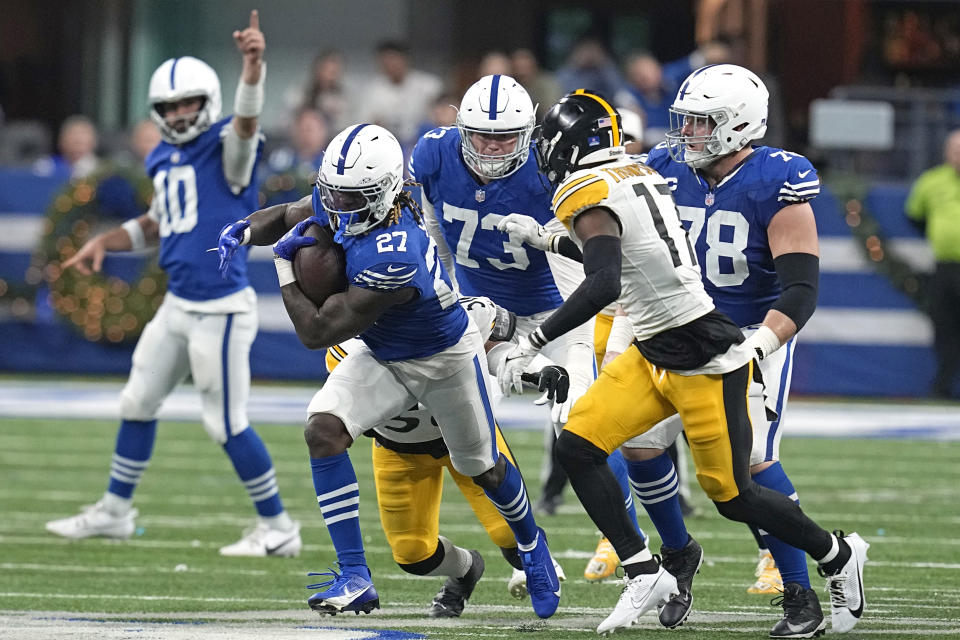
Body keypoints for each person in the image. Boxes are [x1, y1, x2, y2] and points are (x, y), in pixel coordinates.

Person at [496, 88, 869, 636]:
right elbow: (626, 260)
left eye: (700, 122)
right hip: (652, 342)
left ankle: (832, 557)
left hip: (715, 347)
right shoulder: (652, 169)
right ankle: (648, 568)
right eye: (685, 120)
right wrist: (552, 242)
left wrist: (531, 342)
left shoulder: (772, 180)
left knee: (735, 491)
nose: (686, 133)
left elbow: (605, 279)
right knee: (582, 442)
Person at [215, 123, 562, 619]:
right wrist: (245, 230)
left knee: (482, 467)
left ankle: (534, 548)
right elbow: (293, 213)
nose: (336, 207)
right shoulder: (352, 203)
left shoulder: (395, 252)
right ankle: (354, 575)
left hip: (443, 359)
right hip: (383, 354)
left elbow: (316, 332)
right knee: (323, 430)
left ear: (384, 194)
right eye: (333, 193)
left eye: (350, 197)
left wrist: (284, 269)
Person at [45, 12, 303, 558]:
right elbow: (161, 220)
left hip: (222, 307)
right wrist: (104, 242)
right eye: (170, 106)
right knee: (137, 401)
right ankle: (114, 513)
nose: (181, 114)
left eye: (189, 103)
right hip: (179, 305)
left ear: (207, 102)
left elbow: (247, 127)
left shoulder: (225, 149)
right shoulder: (163, 154)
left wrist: (253, 69)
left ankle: (279, 527)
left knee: (227, 424)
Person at [409, 74, 647, 565]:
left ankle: (622, 537)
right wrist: (448, 303)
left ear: (529, 134)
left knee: (580, 425)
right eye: (481, 135)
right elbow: (435, 234)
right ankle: (527, 551)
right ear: (459, 129)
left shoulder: (549, 170)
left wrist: (543, 336)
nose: (493, 148)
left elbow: (581, 261)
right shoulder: (434, 154)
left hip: (552, 309)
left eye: (505, 137)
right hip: (478, 312)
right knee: (466, 432)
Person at [326, 295, 567, 617]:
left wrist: (537, 369)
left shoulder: (455, 314)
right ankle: (467, 568)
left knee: (509, 534)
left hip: (466, 435)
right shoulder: (345, 347)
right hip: (399, 451)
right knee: (413, 555)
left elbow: (495, 349)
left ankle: (533, 554)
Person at [906, 128, 960, 399]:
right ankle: (943, 384)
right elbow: (914, 215)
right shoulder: (932, 182)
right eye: (955, 150)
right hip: (945, 267)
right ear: (946, 153)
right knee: (944, 326)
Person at [355, 41, 443, 151]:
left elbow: (443, 116)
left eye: (393, 60)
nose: (390, 65)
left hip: (423, 142)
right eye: (385, 62)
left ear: (404, 59)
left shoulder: (429, 85)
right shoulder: (372, 90)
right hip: (388, 145)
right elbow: (364, 124)